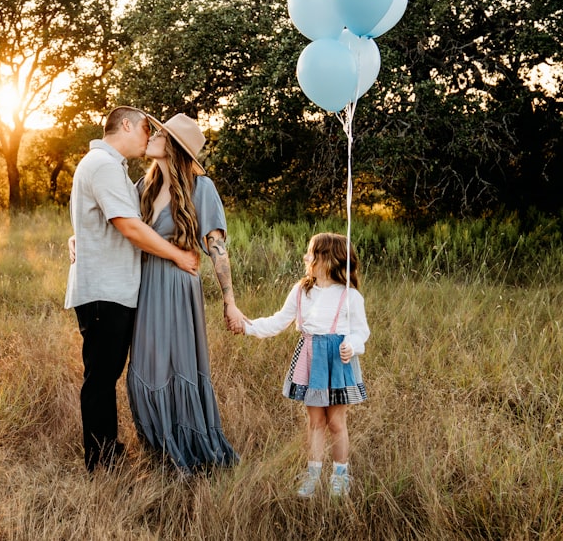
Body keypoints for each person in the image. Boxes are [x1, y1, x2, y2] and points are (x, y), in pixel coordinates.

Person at [65, 106, 201, 473]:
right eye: (144, 127)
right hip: (105, 293)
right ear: (125, 125)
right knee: (100, 379)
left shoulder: (110, 167)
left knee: (104, 376)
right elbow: (129, 227)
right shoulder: (104, 165)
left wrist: (80, 236)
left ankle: (108, 454)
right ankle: (102, 462)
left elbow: (97, 218)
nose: (148, 136)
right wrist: (179, 257)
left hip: (111, 290)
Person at [126, 113, 245, 474]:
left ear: (173, 146)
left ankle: (189, 445)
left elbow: (217, 247)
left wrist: (229, 301)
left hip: (178, 286)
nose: (152, 135)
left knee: (178, 365)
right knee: (143, 369)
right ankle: (160, 446)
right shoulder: (142, 187)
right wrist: (75, 239)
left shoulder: (200, 188)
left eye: (160, 133)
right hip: (145, 284)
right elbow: (115, 221)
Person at [229, 232, 370, 497]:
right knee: (315, 421)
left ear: (329, 259)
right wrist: (247, 327)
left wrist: (352, 343)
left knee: (336, 422)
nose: (307, 257)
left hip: (338, 362)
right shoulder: (302, 290)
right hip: (311, 359)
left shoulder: (350, 296)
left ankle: (340, 474)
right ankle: (313, 473)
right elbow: (278, 321)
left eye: (312, 253)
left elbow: (362, 332)